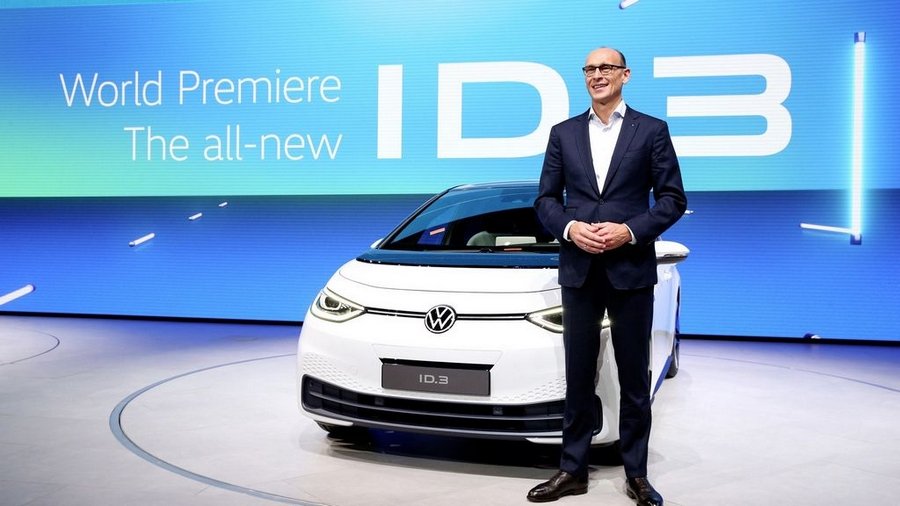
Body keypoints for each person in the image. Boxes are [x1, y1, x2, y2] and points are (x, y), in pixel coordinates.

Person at [529, 47, 687, 505]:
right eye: (590, 69)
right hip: (579, 270)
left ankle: (636, 475)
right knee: (578, 376)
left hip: (630, 270)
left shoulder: (651, 130)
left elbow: (672, 199)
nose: (597, 75)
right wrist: (570, 228)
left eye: (606, 68)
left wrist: (629, 231)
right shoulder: (563, 133)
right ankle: (572, 470)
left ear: (625, 75)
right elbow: (546, 200)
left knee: (634, 378)